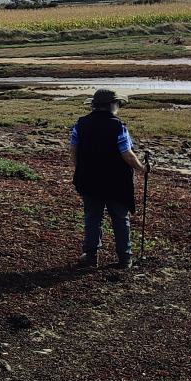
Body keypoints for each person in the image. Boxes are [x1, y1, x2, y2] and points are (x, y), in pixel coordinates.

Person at [70, 89, 147, 268]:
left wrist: (80, 169)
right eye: (117, 103)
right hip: (116, 181)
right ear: (112, 105)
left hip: (89, 179)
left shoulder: (81, 123)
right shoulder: (118, 126)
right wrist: (142, 168)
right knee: (120, 218)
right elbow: (127, 154)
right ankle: (125, 258)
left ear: (94, 105)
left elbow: (73, 150)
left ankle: (90, 255)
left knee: (92, 217)